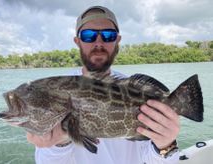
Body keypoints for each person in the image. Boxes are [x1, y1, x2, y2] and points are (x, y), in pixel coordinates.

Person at [27, 6, 180, 164]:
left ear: (117, 40)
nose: (98, 42)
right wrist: (59, 142)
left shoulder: (133, 90)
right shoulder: (58, 90)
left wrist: (166, 144)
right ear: (77, 41)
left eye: (108, 35)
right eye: (89, 35)